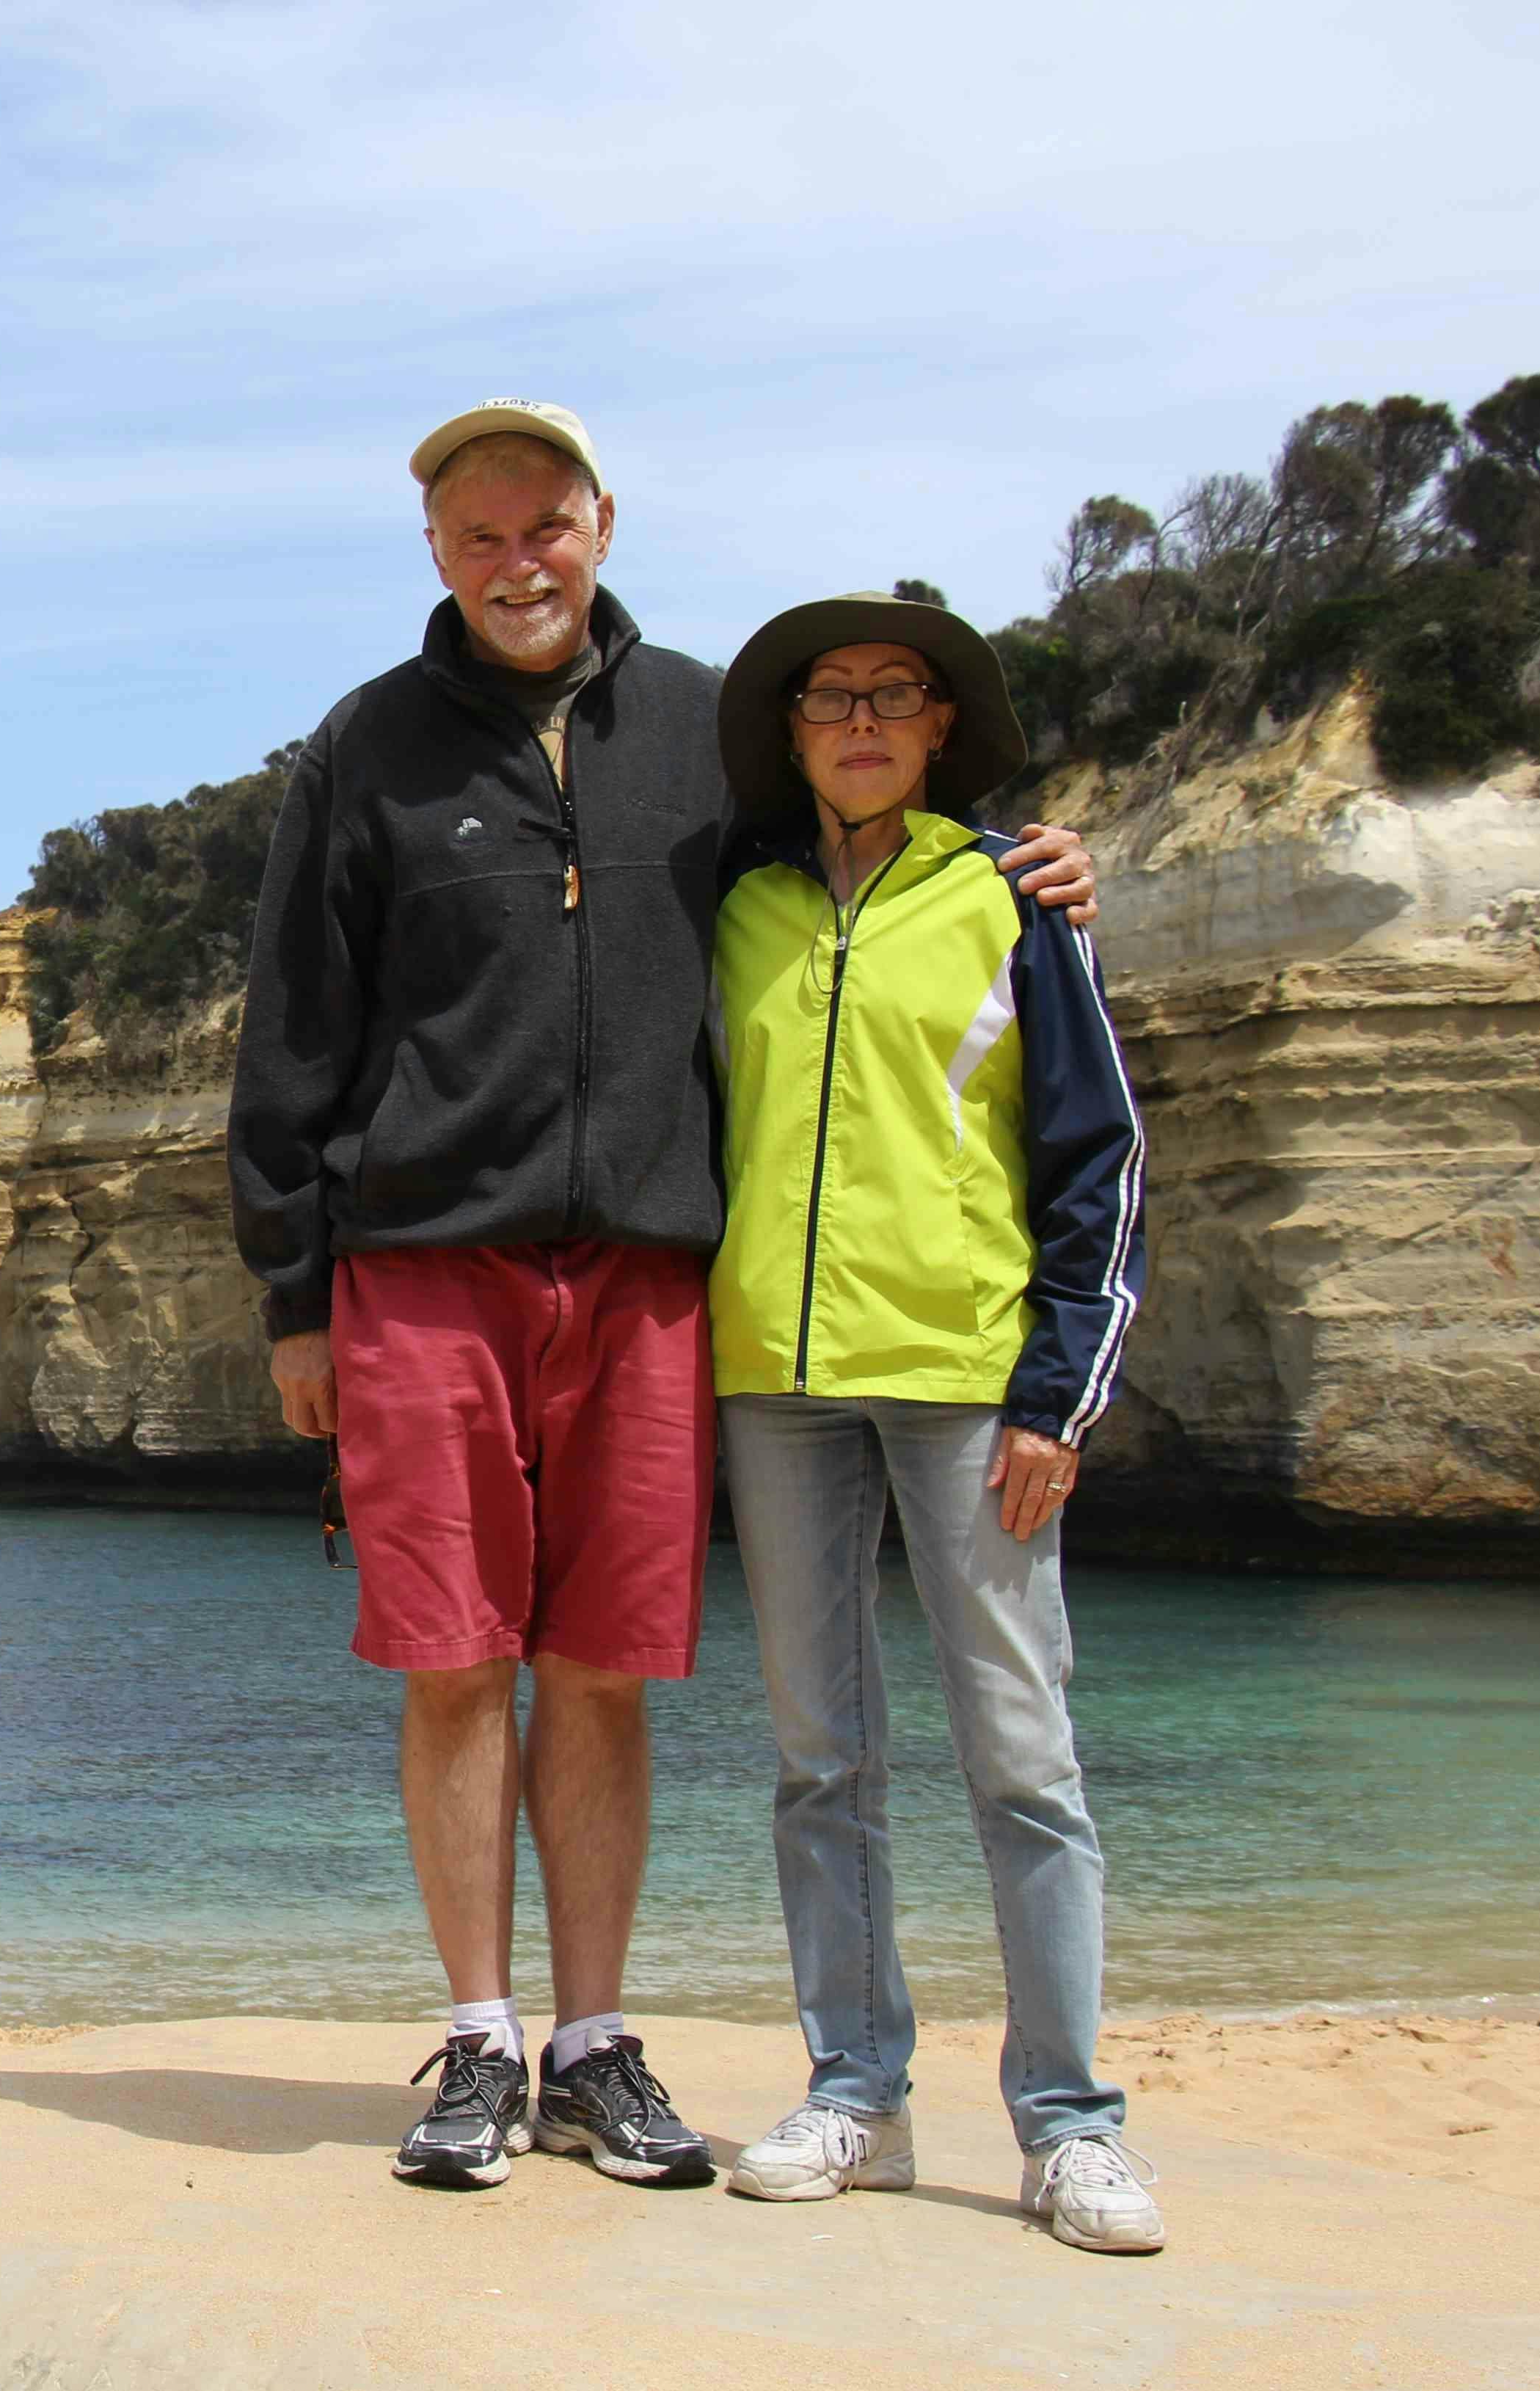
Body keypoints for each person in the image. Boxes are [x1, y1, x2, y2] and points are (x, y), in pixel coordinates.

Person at [228, 404, 1096, 2195]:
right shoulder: (365, 753)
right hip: (419, 1265)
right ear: (438, 557)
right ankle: (476, 2040)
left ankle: (594, 2042)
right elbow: (293, 1033)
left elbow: (874, 840)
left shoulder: (705, 734)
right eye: (478, 537)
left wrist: (1036, 860)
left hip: (646, 1270)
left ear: (601, 522)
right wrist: (290, 1295)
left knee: (601, 1667)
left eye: (544, 523)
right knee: (457, 1662)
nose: (516, 561)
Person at [701, 591, 1161, 2253]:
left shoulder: (1017, 899)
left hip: (973, 1381)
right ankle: (858, 2096)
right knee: (821, 1758)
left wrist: (1063, 1396)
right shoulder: (736, 907)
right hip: (778, 1379)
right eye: (834, 696)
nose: (865, 717)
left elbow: (1096, 1156)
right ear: (798, 731)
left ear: (942, 725)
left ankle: (1069, 2124)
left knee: (1021, 1758)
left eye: (898, 693)